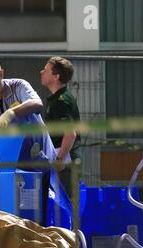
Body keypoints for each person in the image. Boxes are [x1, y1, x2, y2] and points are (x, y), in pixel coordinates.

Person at [0, 57, 56, 225]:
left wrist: (12, 113)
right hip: (10, 167)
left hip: (39, 160)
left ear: (1, 74)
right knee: (16, 214)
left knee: (43, 211)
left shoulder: (19, 86)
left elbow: (37, 103)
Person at [41, 56, 82, 199]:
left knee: (67, 204)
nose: (42, 72)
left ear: (56, 76)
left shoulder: (61, 101)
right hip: (63, 161)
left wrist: (59, 159)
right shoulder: (56, 99)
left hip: (65, 164)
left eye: (46, 70)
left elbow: (70, 134)